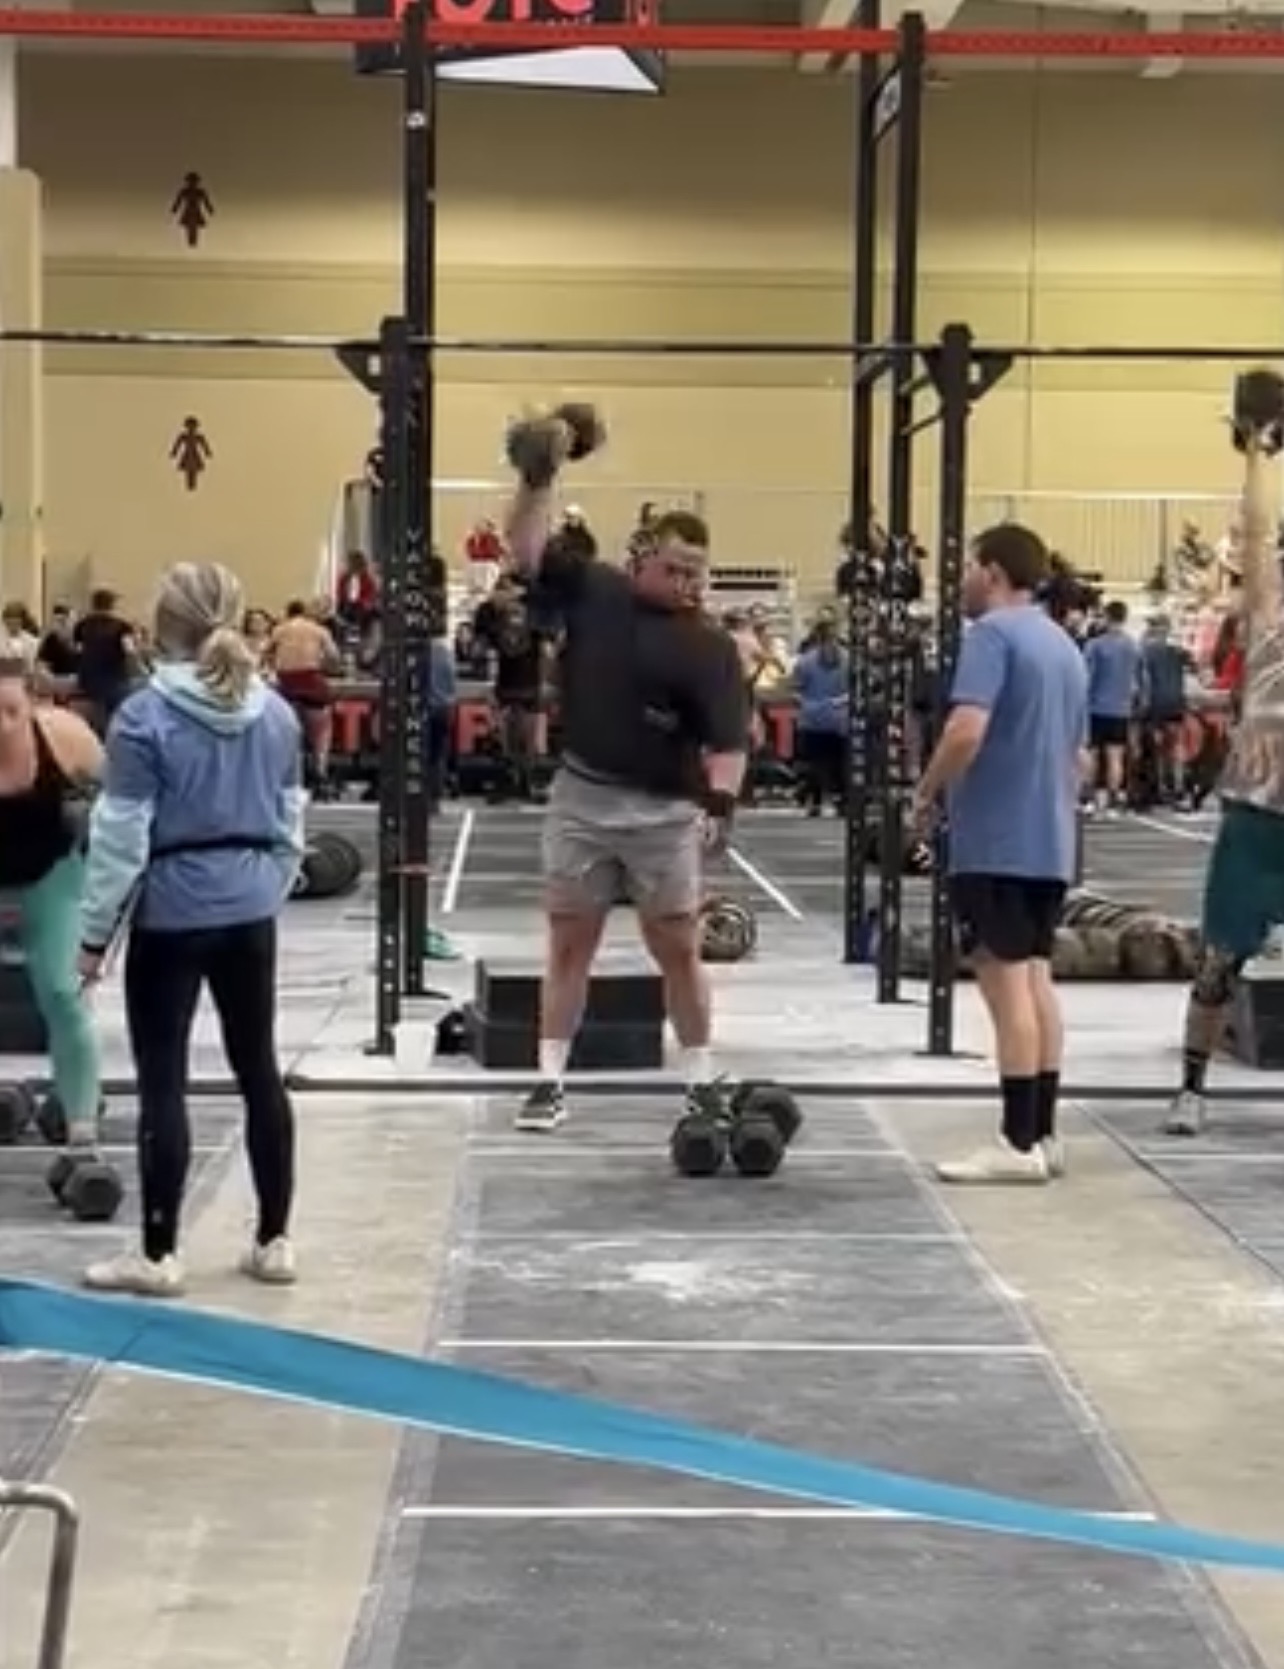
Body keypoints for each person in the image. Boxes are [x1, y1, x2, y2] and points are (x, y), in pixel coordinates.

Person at [503, 405, 748, 1133]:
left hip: (663, 815)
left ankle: (700, 1080)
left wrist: (720, 808)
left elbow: (728, 745)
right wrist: (537, 480)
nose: (687, 583)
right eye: (674, 569)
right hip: (582, 801)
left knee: (678, 950)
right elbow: (526, 548)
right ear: (641, 557)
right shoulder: (597, 590)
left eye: (697, 573)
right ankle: (548, 1082)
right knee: (567, 946)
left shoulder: (710, 648)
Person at [78, 561, 305, 1298]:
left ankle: (158, 1253)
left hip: (171, 912)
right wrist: (264, 888)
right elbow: (291, 824)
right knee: (259, 1068)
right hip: (250, 909)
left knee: (163, 1079)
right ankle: (275, 1241)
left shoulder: (142, 718)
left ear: (162, 625)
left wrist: (93, 938)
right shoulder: (277, 715)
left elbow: (119, 840)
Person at [913, 523, 1087, 1185]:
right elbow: (1078, 759)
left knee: (1005, 986)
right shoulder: (1064, 645)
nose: (959, 579)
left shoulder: (991, 636)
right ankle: (1043, 1134)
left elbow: (966, 729)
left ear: (991, 571)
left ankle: (1016, 1144)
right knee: (1036, 982)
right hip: (1050, 842)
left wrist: (927, 792)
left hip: (996, 842)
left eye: (966, 567)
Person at [1164, 377, 1284, 1138]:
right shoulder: (1270, 614)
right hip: (1257, 814)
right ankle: (1192, 1090)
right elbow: (1258, 530)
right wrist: (1256, 453)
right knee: (1218, 962)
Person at [0, 659, 104, 1153]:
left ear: (32, 705)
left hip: (52, 872)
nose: (1, 725)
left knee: (63, 990)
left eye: (10, 711)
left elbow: (126, 803)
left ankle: (82, 1129)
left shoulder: (65, 738)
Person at [268, 598, 342, 795]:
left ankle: (288, 776)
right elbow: (334, 658)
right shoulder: (320, 631)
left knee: (287, 732)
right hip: (311, 681)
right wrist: (324, 664)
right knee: (321, 731)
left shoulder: (280, 630)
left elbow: (266, 654)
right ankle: (320, 770)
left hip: (286, 683)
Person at [1082, 599, 1140, 814]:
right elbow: (1139, 679)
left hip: (1096, 707)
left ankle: (1089, 798)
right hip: (1121, 708)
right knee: (1116, 756)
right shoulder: (1133, 646)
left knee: (1092, 754)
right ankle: (1113, 801)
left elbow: (1086, 677)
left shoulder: (1095, 646)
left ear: (1107, 618)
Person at [792, 609, 848, 817]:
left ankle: (813, 801)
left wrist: (808, 704)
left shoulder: (804, 661)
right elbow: (856, 690)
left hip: (812, 718)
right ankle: (841, 800)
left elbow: (796, 691)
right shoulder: (849, 658)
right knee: (839, 762)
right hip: (839, 718)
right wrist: (838, 701)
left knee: (813, 763)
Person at [1137, 614, 1192, 808]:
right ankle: (1178, 786)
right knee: (1176, 745)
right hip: (1175, 702)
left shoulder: (1145, 651)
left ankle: (1160, 787)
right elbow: (1192, 667)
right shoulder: (1177, 651)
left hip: (1155, 704)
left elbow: (1143, 679)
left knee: (1157, 748)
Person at [74, 587, 136, 736]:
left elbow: (78, 651)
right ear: (112, 605)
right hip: (115, 681)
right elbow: (130, 652)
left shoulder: (81, 626)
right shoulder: (123, 627)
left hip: (87, 681)